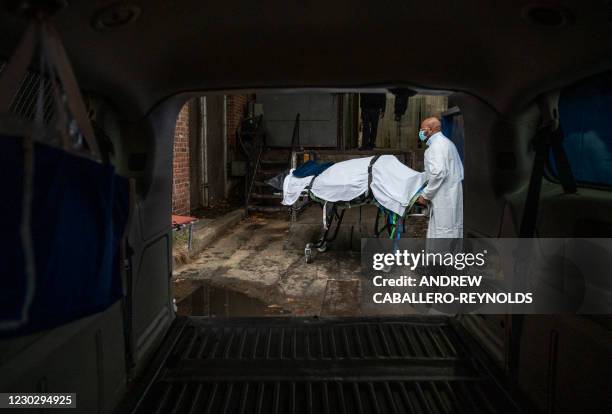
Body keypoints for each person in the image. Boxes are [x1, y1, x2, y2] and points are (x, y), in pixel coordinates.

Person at [416, 117, 464, 238]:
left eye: (422, 129)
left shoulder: (436, 147)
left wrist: (425, 195)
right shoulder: (448, 143)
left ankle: (440, 257)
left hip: (443, 197)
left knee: (442, 233)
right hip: (451, 195)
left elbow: (438, 173)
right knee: (451, 230)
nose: (420, 132)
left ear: (430, 130)